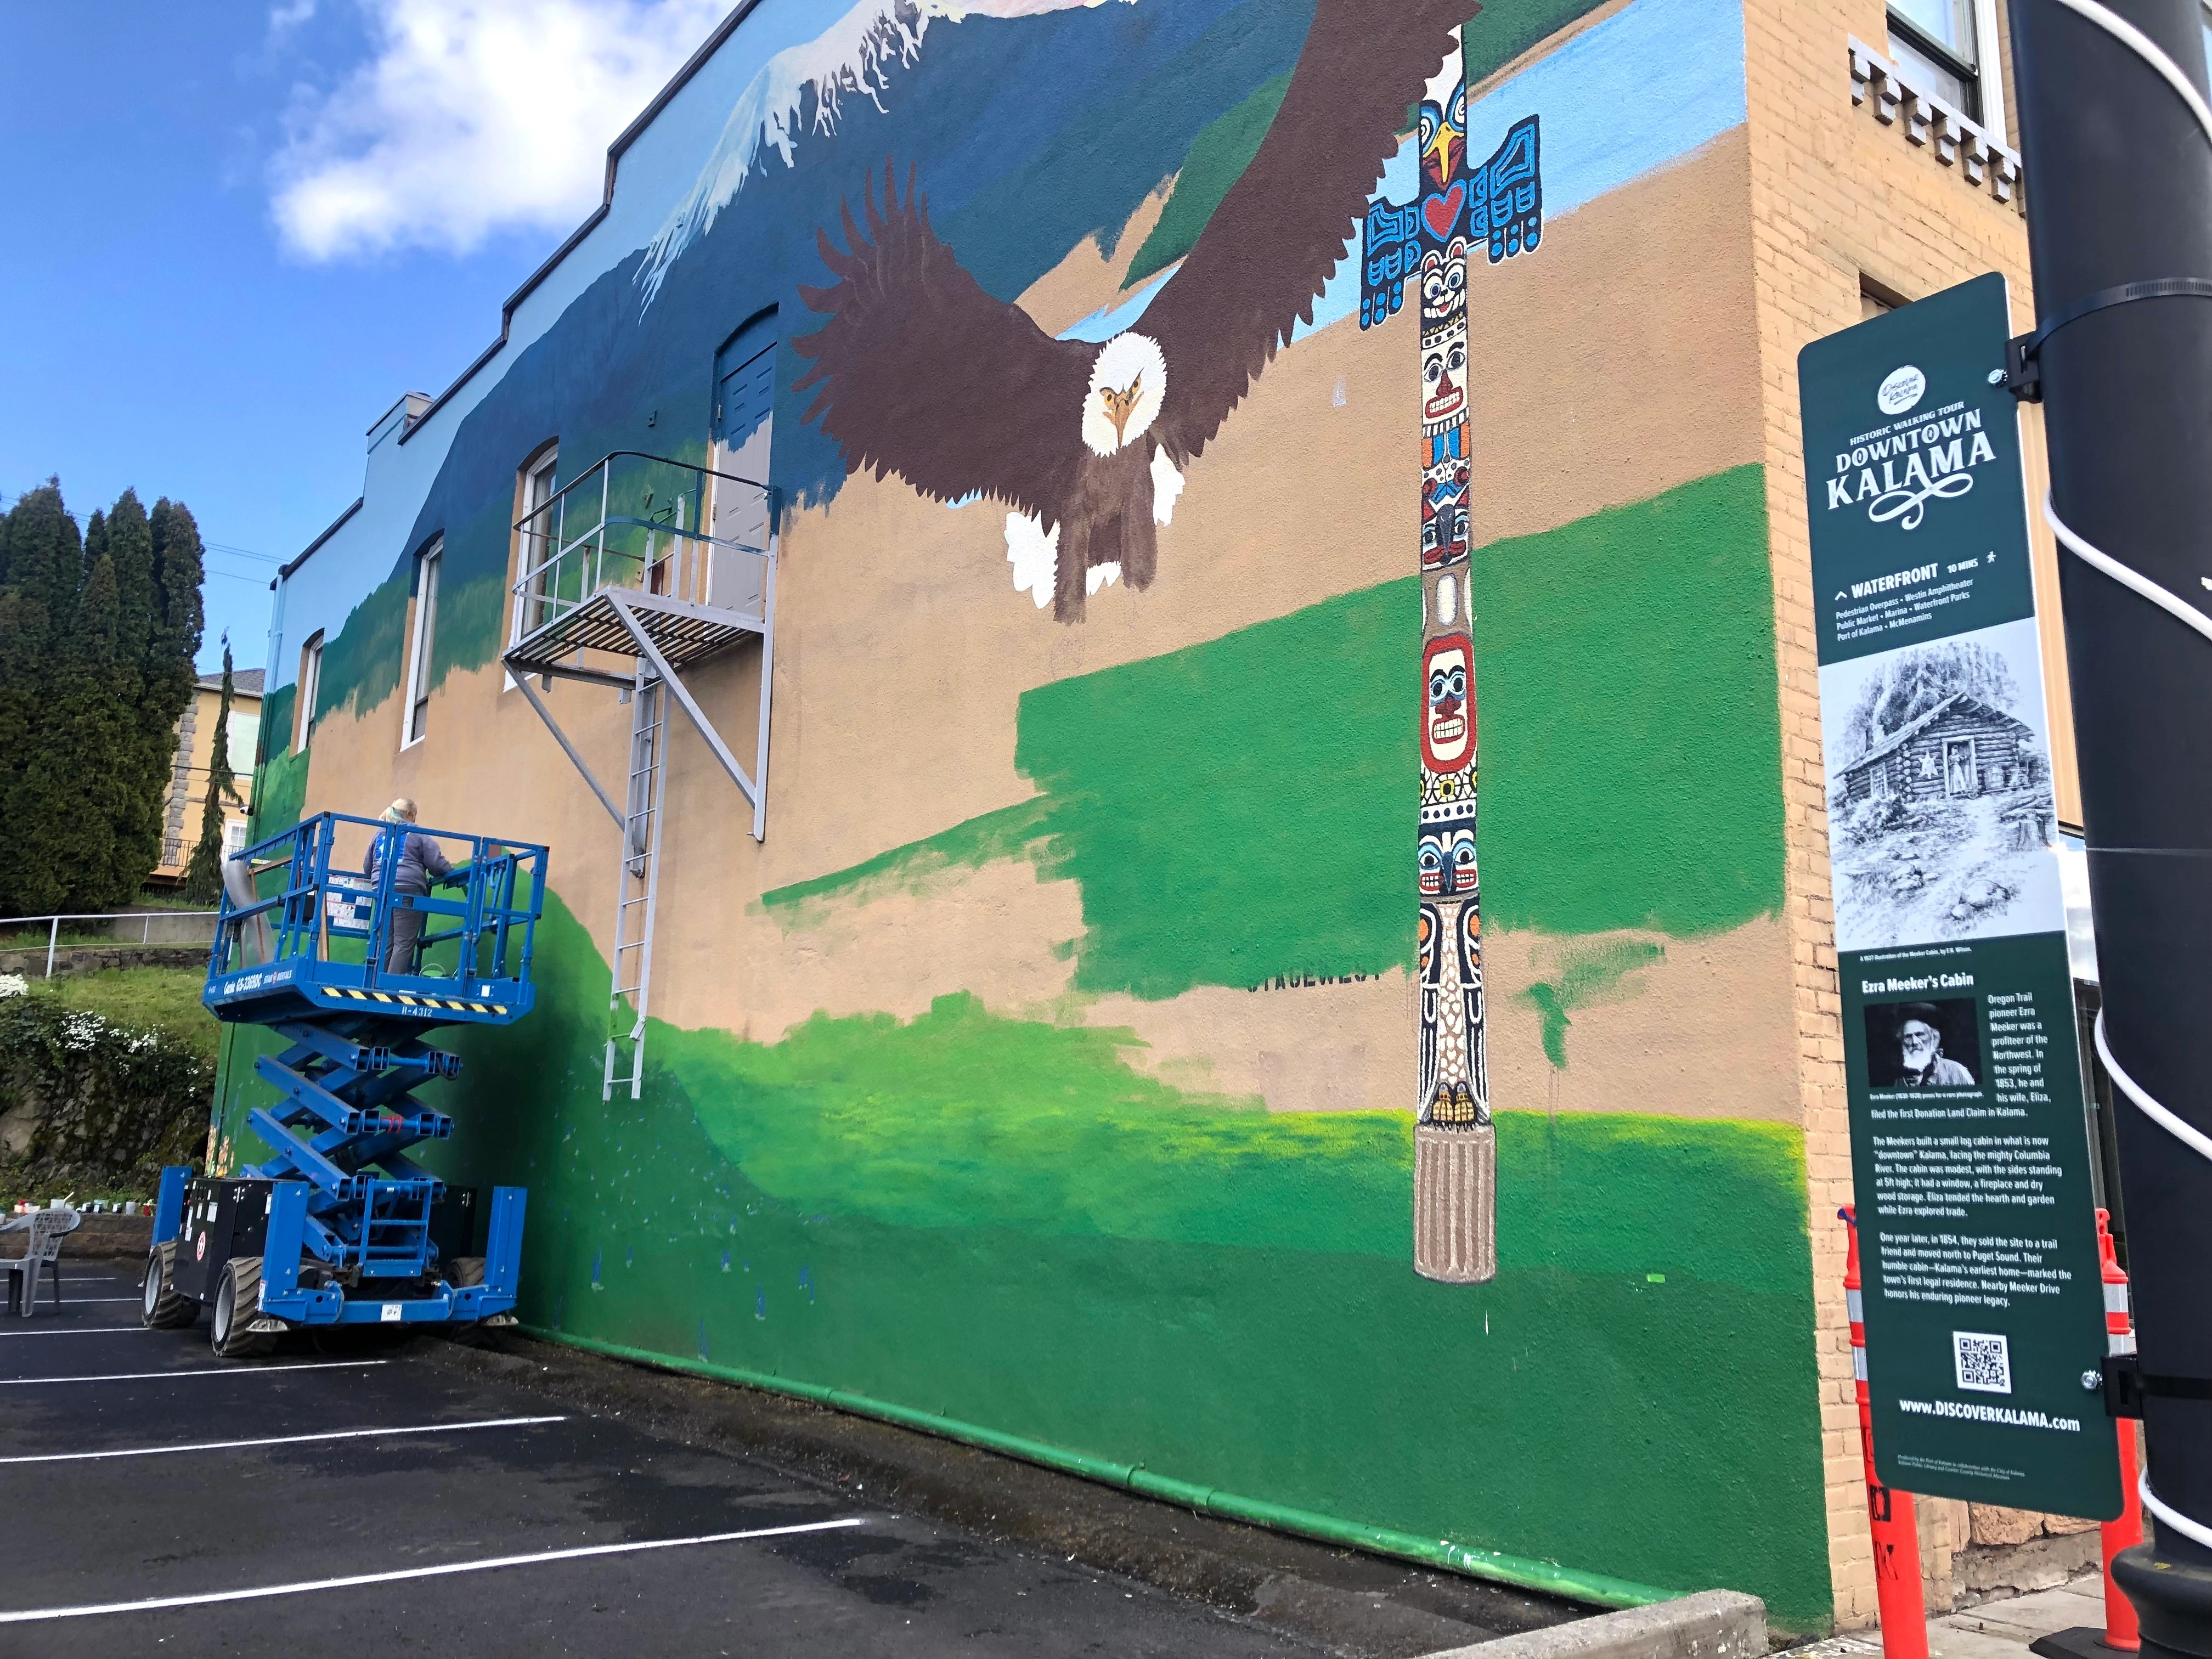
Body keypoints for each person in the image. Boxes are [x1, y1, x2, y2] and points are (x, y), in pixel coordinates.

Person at [365, 798, 453, 977]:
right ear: (410, 815)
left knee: (386, 942)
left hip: (381, 890)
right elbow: (436, 864)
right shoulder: (417, 833)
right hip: (407, 889)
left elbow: (367, 867)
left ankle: (376, 983)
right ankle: (389, 986)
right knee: (404, 942)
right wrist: (451, 872)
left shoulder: (380, 834)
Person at [1896, 1003, 1975, 1086]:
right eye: (1908, 1037)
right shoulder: (1899, 1078)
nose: (1914, 1042)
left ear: (1934, 1038)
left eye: (1920, 1035)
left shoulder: (1955, 1071)